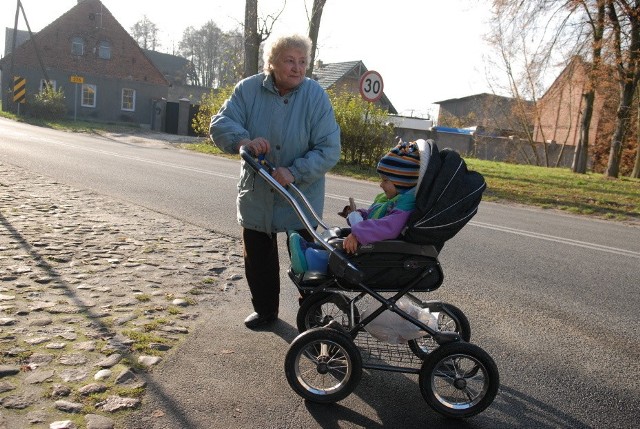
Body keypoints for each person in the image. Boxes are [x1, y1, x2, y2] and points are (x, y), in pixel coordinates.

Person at [209, 34, 341, 329]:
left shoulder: (315, 95)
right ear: (272, 63)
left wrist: (295, 171)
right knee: (258, 257)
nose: (297, 68)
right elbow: (220, 123)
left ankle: (312, 316)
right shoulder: (248, 89)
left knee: (308, 260)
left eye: (303, 62)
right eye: (289, 61)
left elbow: (329, 148)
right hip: (258, 193)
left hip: (299, 191)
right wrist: (243, 140)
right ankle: (266, 311)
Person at [289, 141, 421, 274]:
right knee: (337, 237)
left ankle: (315, 261)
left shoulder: (405, 206)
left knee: (347, 246)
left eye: (385, 181)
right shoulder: (392, 200)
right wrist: (358, 214)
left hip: (378, 251)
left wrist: (358, 233)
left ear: (402, 182)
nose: (381, 185)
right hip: (373, 244)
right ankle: (311, 249)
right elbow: (373, 213)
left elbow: (388, 227)